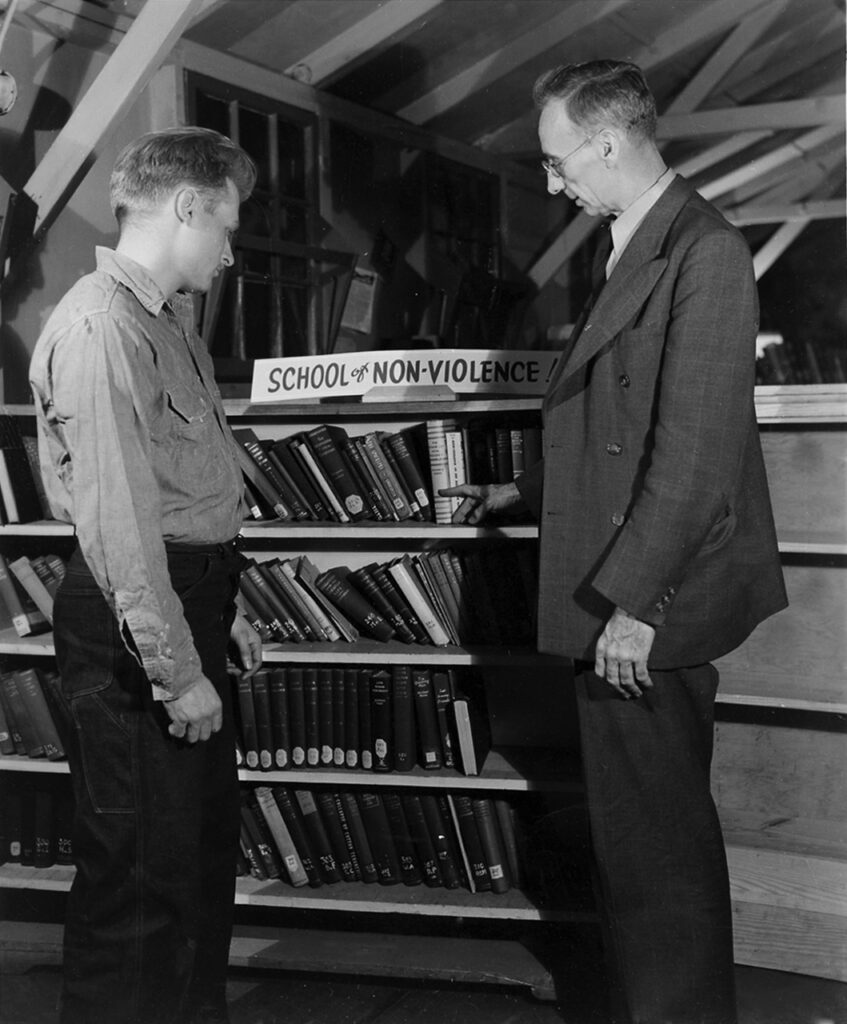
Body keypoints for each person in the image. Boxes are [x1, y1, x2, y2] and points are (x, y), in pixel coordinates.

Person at [443, 60, 787, 1024]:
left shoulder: (704, 250)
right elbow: (613, 413)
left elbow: (692, 456)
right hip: (624, 580)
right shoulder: (642, 238)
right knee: (634, 844)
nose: (552, 185)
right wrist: (522, 488)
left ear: (604, 143)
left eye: (558, 164)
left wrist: (634, 608)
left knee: (656, 847)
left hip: (648, 599)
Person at [29, 127, 263, 1024]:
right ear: (188, 206)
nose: (231, 250)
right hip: (137, 627)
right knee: (137, 883)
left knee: (195, 869)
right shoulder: (100, 326)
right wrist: (176, 666)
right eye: (227, 226)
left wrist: (220, 615)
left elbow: (178, 495)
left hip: (182, 603)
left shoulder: (165, 323)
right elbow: (120, 525)